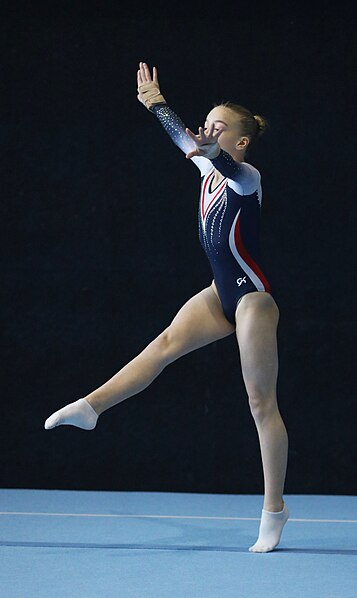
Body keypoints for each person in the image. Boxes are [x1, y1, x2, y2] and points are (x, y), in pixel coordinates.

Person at [44, 61, 289, 553]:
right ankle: (92, 407)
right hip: (220, 293)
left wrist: (208, 145)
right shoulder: (206, 161)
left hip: (252, 300)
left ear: (241, 142)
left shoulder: (246, 177)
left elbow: (217, 159)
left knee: (260, 403)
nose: (208, 130)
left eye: (220, 128)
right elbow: (188, 143)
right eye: (208, 121)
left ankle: (274, 510)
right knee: (163, 345)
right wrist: (155, 101)